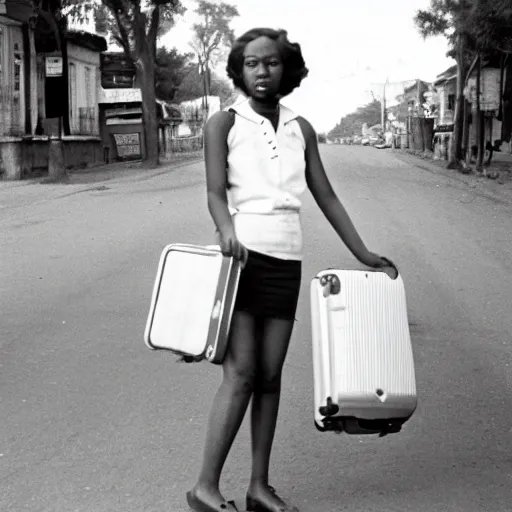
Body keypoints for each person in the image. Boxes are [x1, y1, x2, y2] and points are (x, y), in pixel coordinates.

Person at [186, 28, 395, 512]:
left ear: (288, 69)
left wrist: (363, 253)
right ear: (239, 71)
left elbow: (326, 196)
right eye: (253, 63)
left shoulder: (300, 127)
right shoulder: (223, 123)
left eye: (272, 63)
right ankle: (205, 487)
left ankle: (259, 487)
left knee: (272, 377)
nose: (263, 72)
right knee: (240, 374)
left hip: (287, 260)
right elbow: (216, 191)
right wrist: (224, 229)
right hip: (242, 259)